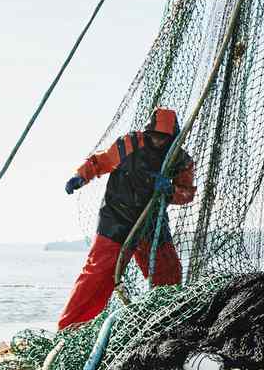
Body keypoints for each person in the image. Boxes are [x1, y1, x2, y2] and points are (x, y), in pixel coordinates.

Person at [57, 108, 197, 330]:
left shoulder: (180, 159)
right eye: (155, 136)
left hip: (152, 222)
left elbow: (187, 193)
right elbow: (100, 162)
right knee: (98, 275)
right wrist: (80, 176)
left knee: (169, 272)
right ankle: (70, 328)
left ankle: (163, 325)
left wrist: (170, 189)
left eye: (164, 138)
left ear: (173, 137)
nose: (159, 141)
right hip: (117, 218)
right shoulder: (129, 144)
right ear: (148, 132)